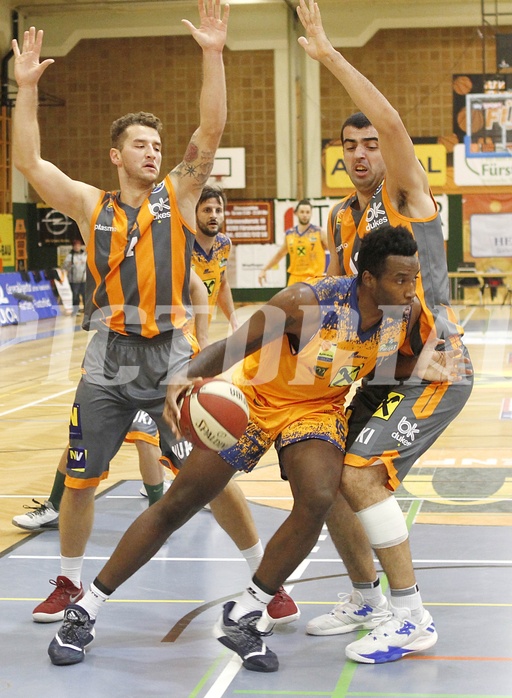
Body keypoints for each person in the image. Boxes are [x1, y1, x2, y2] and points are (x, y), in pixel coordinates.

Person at [45, 225, 466, 668]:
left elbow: (388, 360)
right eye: (400, 279)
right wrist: (183, 377)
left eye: (412, 278)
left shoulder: (402, 312)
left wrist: (421, 366)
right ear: (368, 280)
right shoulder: (308, 302)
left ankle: (246, 611)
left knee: (319, 497)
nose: (409, 289)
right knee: (178, 504)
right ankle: (85, 608)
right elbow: (232, 346)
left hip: (316, 411)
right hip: (253, 401)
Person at [10, 0, 235, 625]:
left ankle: (264, 581)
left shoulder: (179, 194)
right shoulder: (90, 204)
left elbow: (210, 131)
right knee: (80, 479)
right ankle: (69, 583)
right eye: (140, 144)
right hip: (109, 355)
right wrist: (25, 90)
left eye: (157, 144)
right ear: (116, 154)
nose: (153, 152)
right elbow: (29, 164)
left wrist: (212, 54)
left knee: (212, 469)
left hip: (171, 354)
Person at [296, 0, 474, 665]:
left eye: (371, 142)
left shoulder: (405, 196)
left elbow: (394, 121)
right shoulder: (342, 219)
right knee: (323, 467)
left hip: (435, 365)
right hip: (379, 370)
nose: (363, 151)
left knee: (364, 474)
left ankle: (411, 618)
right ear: (340, 155)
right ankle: (367, 595)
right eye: (352, 144)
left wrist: (327, 53)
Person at [12, 410, 172, 533]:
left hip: (146, 381)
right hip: (107, 382)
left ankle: (157, 519)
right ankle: (54, 507)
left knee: (143, 435)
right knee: (81, 438)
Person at [192, 184, 238, 330]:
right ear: (195, 213)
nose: (213, 215)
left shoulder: (224, 244)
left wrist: (234, 322)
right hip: (176, 335)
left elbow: (222, 284)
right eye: (207, 210)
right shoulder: (181, 246)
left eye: (218, 210)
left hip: (202, 332)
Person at [258, 199, 327, 287]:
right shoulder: (290, 234)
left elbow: (334, 252)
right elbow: (279, 254)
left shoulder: (319, 232)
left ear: (311, 214)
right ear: (296, 213)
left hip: (314, 279)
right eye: (302, 212)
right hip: (295, 279)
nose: (305, 215)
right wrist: (264, 269)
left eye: (307, 212)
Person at [62, 239, 87, 312]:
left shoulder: (85, 255)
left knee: (85, 296)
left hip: (84, 279)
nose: (77, 247)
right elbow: (64, 267)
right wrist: (68, 265)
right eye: (75, 246)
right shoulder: (70, 256)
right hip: (74, 280)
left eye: (78, 246)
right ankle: (76, 310)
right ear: (73, 247)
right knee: (75, 296)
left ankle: (86, 310)